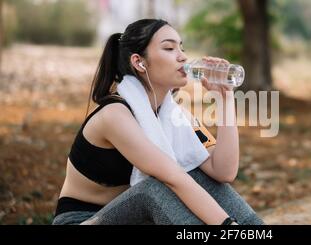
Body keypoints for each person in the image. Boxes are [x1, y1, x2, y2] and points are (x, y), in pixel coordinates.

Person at [51, 18, 264, 225]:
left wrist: (224, 98)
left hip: (138, 220)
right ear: (139, 62)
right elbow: (173, 178)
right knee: (158, 185)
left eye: (182, 48)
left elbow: (223, 171)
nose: (182, 57)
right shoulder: (115, 115)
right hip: (84, 220)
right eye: (169, 49)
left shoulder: (176, 116)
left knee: (197, 173)